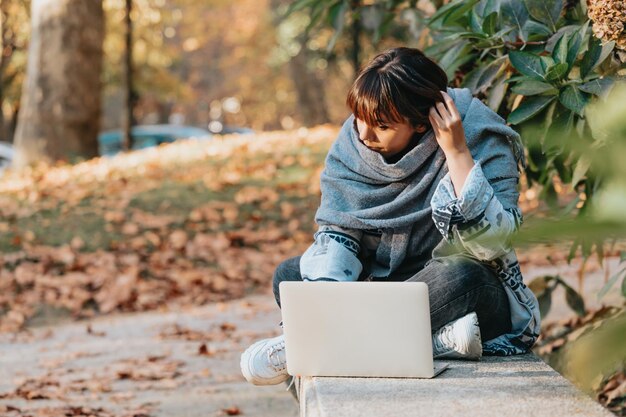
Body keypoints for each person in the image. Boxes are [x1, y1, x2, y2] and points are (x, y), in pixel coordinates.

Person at [240, 47, 541, 386]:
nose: (365, 135)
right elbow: (338, 235)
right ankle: (433, 345)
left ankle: (308, 346)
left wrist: (457, 153)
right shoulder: (355, 141)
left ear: (421, 123)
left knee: (463, 275)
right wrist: (326, 296)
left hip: (459, 292)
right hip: (388, 288)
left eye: (382, 126)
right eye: (360, 119)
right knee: (291, 274)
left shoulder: (479, 134)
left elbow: (494, 245)